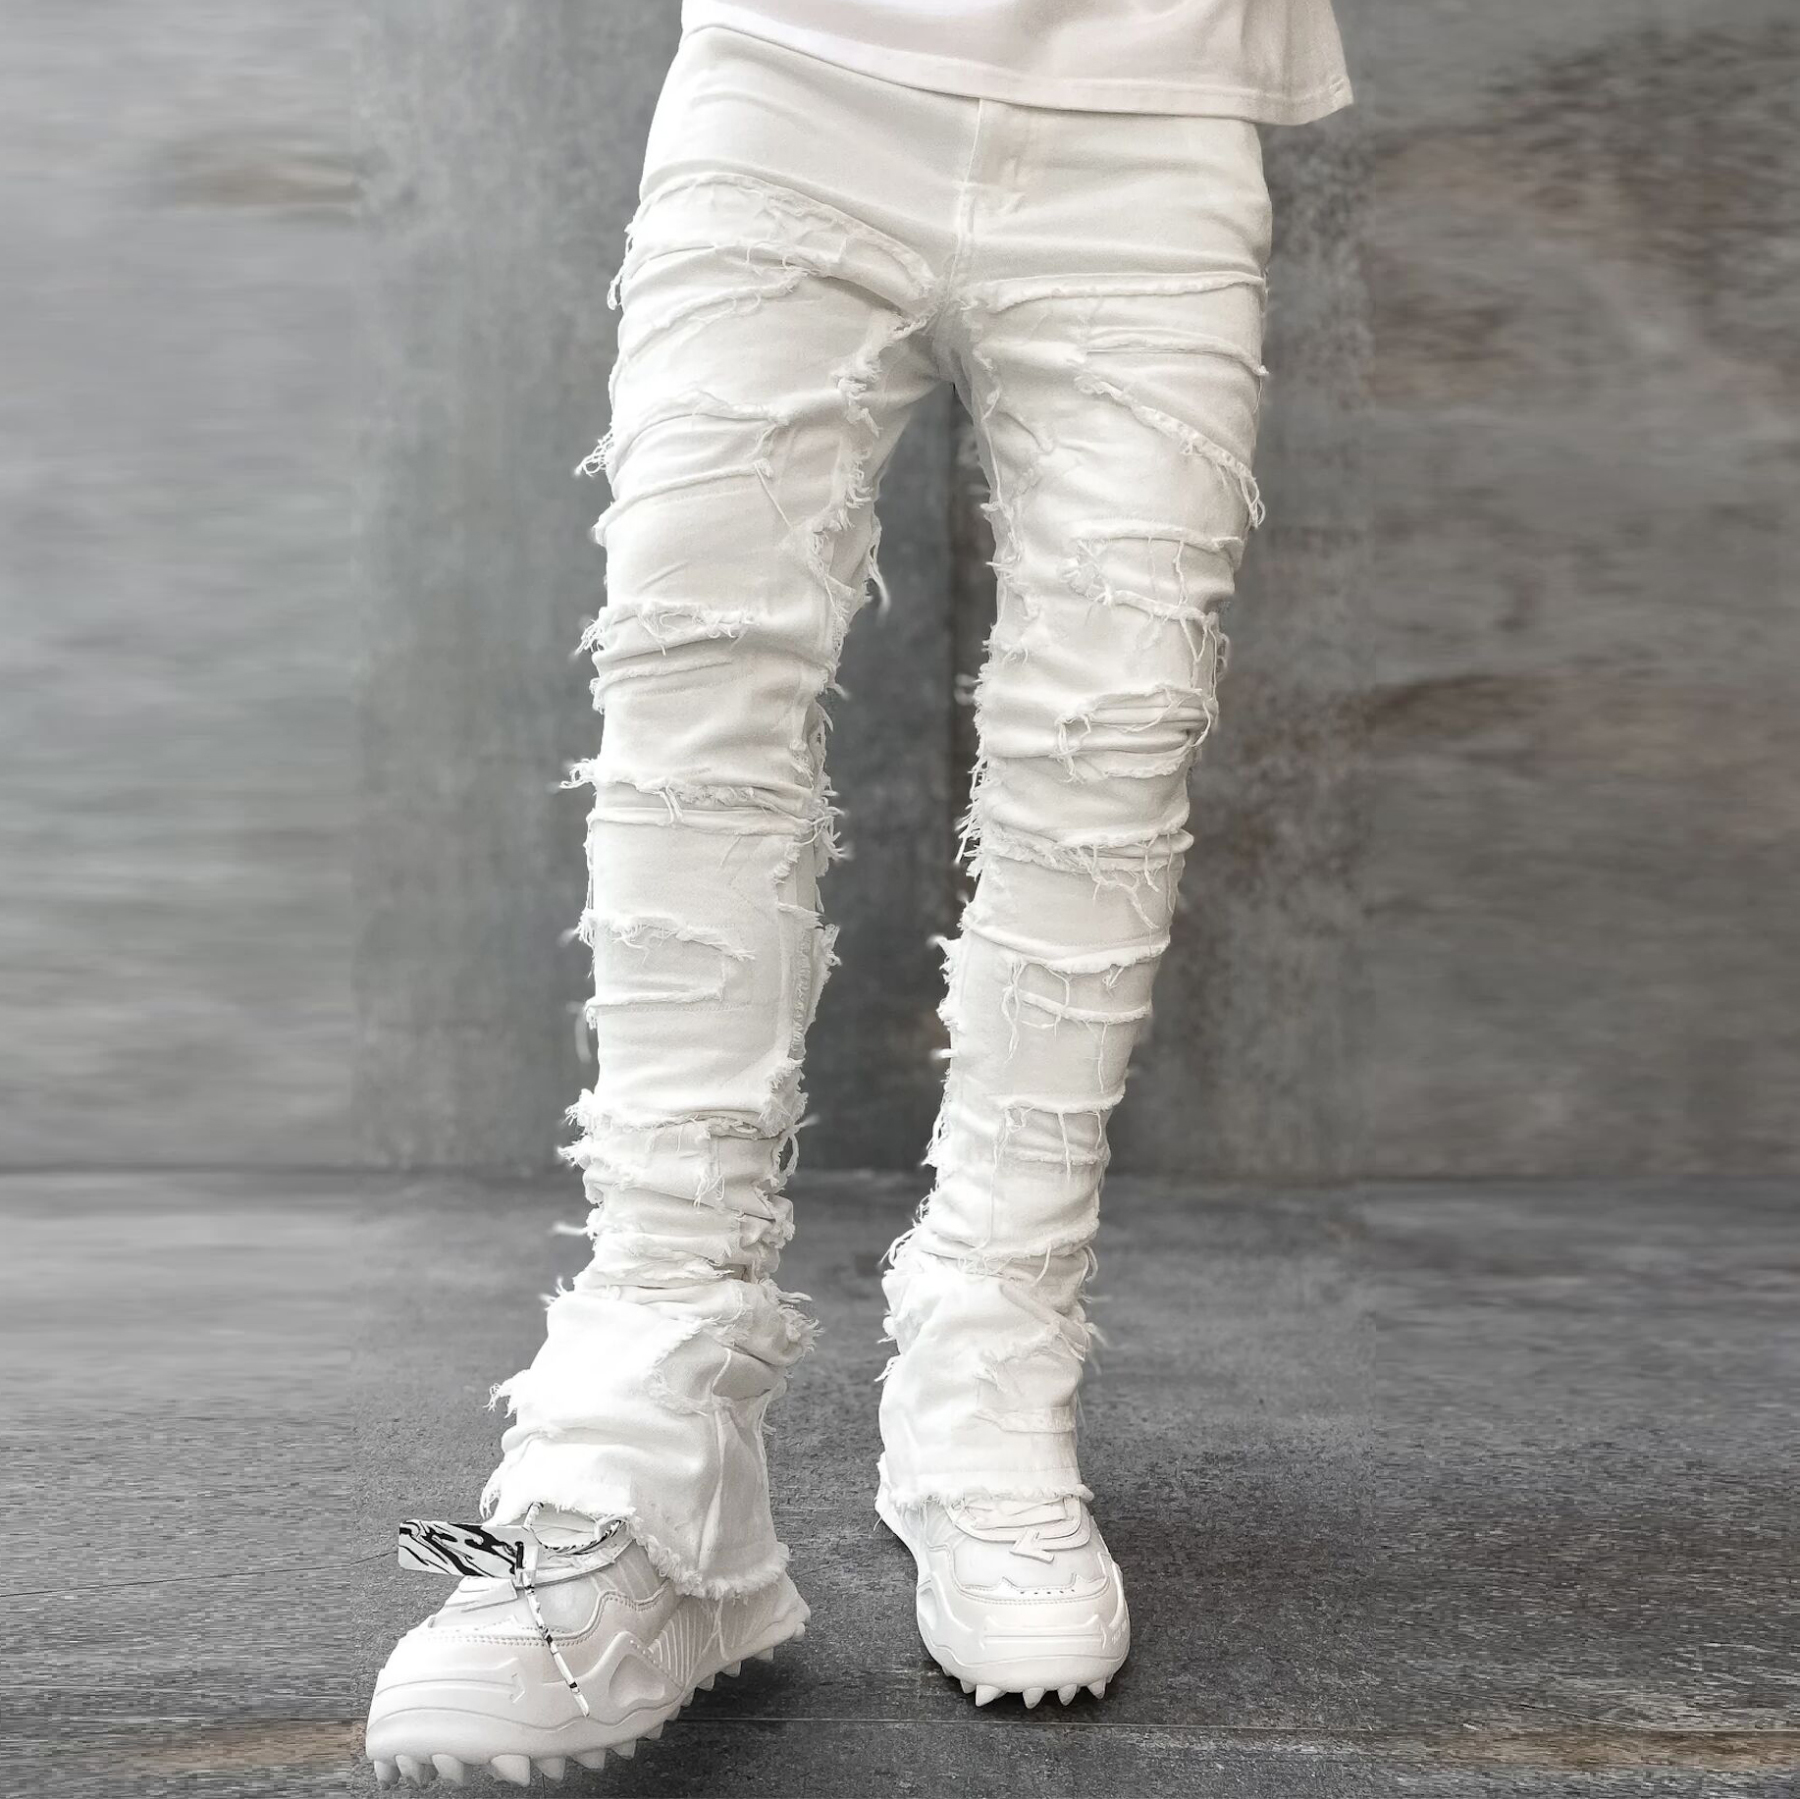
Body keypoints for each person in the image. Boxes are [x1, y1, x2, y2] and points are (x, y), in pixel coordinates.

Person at [365, 1, 1350, 1785]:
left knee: (1114, 733)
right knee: (694, 689)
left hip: (1159, 99)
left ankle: (990, 1391)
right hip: (795, 66)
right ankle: (650, 1451)